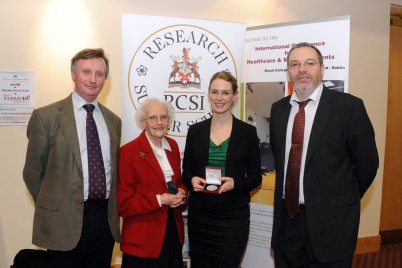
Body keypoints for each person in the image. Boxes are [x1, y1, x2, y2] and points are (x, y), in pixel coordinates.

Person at [269, 42, 379, 267]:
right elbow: (282, 163)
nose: (302, 69)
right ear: (288, 71)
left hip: (332, 225)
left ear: (322, 68)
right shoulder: (278, 109)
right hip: (287, 224)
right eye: (295, 64)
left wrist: (340, 200)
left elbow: (368, 164)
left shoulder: (349, 107)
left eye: (310, 63)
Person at [23, 48, 121, 268]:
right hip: (62, 223)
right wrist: (55, 207)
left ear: (106, 78)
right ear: (73, 74)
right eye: (86, 72)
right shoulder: (45, 117)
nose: (93, 79)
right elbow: (32, 173)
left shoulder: (114, 122)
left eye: (99, 74)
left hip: (104, 221)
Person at [182, 71, 262, 267]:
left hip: (233, 218)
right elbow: (186, 171)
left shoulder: (248, 133)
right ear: (208, 94)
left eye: (225, 93)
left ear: (234, 96)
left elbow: (255, 177)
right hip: (200, 216)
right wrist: (192, 180)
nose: (219, 98)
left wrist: (235, 183)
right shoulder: (195, 131)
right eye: (215, 92)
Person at [117, 98, 188, 268]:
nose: (159, 122)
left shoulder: (172, 145)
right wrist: (159, 199)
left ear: (169, 121)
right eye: (153, 118)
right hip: (143, 240)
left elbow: (178, 182)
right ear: (143, 122)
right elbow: (123, 204)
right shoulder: (129, 152)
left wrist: (183, 193)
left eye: (163, 117)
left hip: (172, 234)